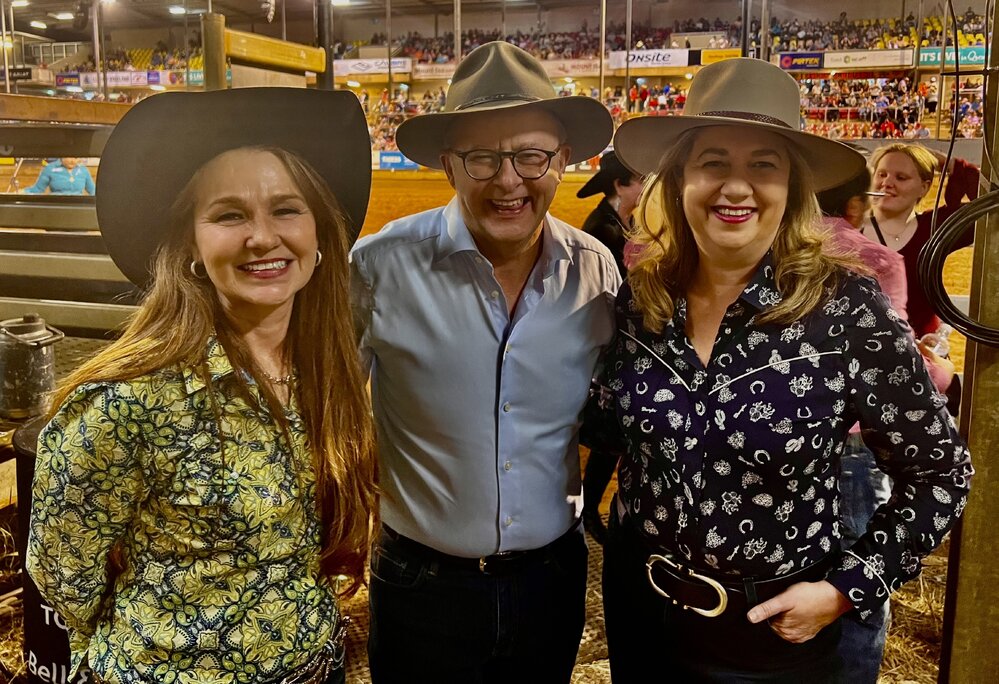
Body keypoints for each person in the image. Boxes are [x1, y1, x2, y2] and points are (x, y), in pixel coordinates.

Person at [594, 58, 972, 682]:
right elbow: (611, 428)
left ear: (792, 188)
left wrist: (850, 587)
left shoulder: (845, 307)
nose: (735, 187)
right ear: (681, 179)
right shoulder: (643, 301)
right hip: (642, 616)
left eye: (762, 165)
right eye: (713, 161)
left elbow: (941, 472)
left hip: (773, 636)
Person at [26, 88, 376, 684]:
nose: (262, 237)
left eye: (286, 209)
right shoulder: (128, 400)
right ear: (191, 243)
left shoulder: (329, 372)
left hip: (317, 668)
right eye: (230, 214)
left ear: (319, 237)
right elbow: (62, 575)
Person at [351, 41, 620, 683]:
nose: (508, 180)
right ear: (449, 165)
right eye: (482, 158)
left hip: (551, 579)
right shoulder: (379, 267)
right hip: (420, 584)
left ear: (561, 161)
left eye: (532, 156)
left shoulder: (597, 272)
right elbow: (326, 406)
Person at [576, 150, 642, 544]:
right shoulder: (604, 229)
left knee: (610, 439)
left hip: (611, 346)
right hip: (605, 350)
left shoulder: (617, 222)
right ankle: (587, 512)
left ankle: (588, 509)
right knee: (608, 437)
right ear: (621, 185)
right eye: (641, 181)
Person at [23, 157, 96, 195]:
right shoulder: (50, 168)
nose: (73, 160)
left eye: (76, 158)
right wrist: (22, 192)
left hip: (78, 207)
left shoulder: (83, 170)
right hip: (56, 206)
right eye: (70, 157)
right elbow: (38, 189)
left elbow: (93, 191)